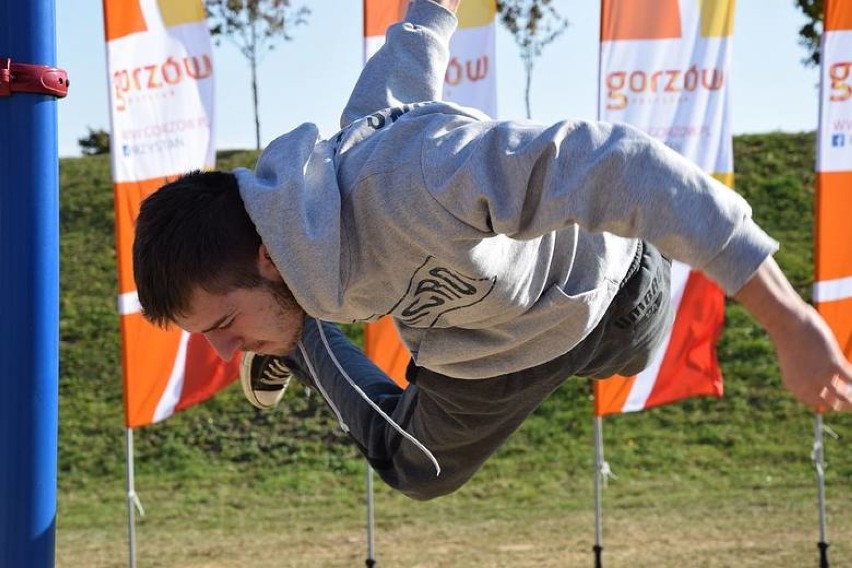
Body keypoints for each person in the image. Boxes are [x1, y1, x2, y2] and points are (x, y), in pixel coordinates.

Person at [132, 0, 852, 500]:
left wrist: (789, 321)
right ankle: (294, 340)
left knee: (636, 346)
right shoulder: (325, 194)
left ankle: (297, 338)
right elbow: (415, 44)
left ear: (264, 254)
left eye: (224, 328)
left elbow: (623, 165)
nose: (223, 357)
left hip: (611, 299)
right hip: (483, 359)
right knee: (418, 468)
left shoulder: (421, 176)